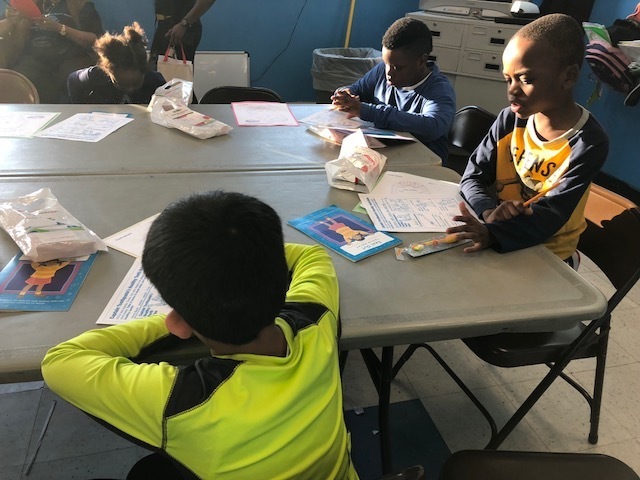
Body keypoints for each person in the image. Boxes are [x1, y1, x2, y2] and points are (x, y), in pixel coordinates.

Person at [41, 190, 359, 479]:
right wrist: (249, 256)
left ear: (179, 324)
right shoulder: (317, 319)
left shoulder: (179, 400)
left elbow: (60, 361)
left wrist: (181, 316)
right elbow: (312, 256)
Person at [447, 13, 609, 266]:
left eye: (526, 79)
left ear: (568, 77)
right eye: (508, 79)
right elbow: (472, 176)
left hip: (550, 255)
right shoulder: (509, 120)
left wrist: (493, 233)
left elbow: (551, 215)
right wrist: (488, 212)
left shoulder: (588, 142)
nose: (512, 90)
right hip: (498, 234)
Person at [331, 17, 456, 162]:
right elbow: (356, 90)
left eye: (398, 68)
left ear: (421, 60)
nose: (389, 73)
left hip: (422, 165)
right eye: (386, 64)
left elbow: (431, 127)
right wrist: (344, 96)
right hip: (382, 157)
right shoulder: (382, 71)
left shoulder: (439, 91)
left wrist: (367, 111)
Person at [0, 0, 103, 103]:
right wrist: (10, 21)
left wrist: (60, 28)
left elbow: (95, 40)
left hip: (69, 59)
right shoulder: (26, 4)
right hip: (32, 59)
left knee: (68, 76)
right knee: (20, 78)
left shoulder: (79, 4)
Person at [67, 22, 166, 104]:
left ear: (145, 71)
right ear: (108, 71)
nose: (130, 89)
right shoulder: (96, 75)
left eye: (136, 84)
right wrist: (81, 109)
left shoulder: (155, 81)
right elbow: (72, 80)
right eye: (121, 85)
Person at [150, 0, 216, 64]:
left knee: (178, 69)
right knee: (156, 66)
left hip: (181, 30)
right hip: (163, 27)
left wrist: (184, 24)